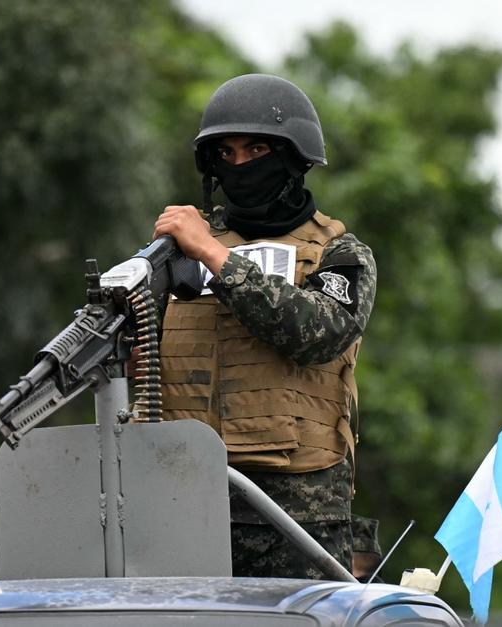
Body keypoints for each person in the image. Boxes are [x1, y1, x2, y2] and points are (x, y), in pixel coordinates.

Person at [152, 73, 377, 579]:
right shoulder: (176, 256)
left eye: (256, 149)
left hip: (298, 517)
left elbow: (317, 333)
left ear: (294, 159)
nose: (240, 165)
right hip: (184, 502)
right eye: (226, 155)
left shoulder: (339, 254)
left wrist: (214, 253)